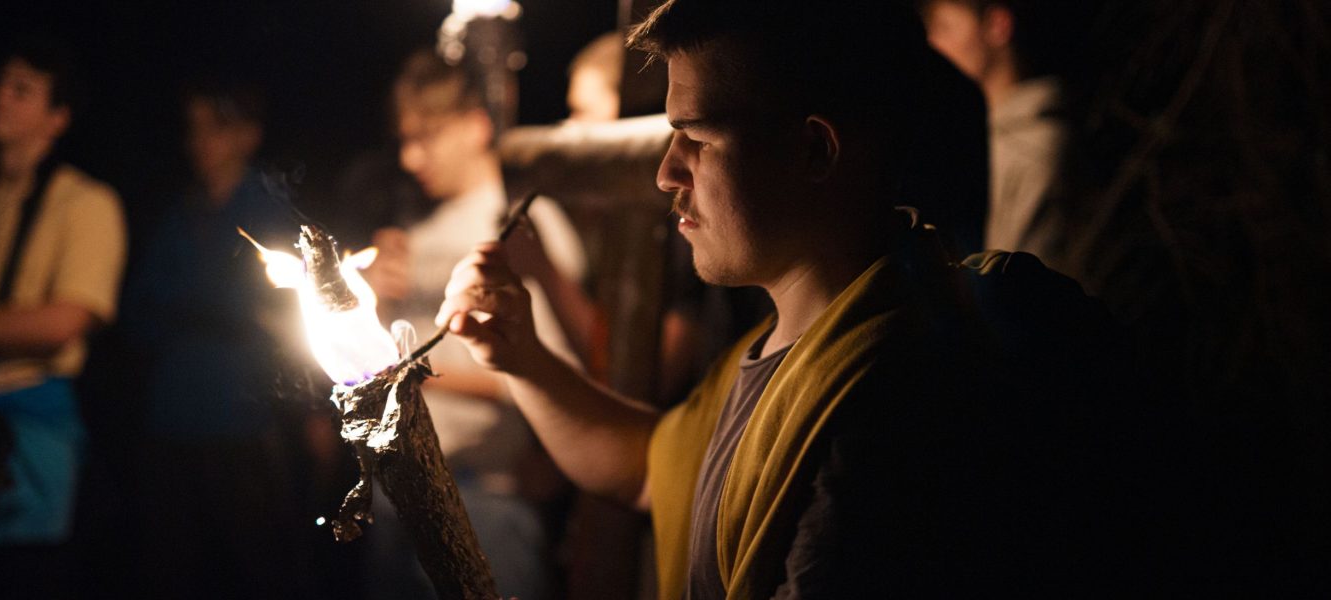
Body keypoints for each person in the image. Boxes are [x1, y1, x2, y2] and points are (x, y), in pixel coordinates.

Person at [436, 1, 1125, 597]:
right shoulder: (793, 346)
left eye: (696, 137)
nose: (667, 173)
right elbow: (651, 468)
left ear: (814, 151)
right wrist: (519, 355)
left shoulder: (888, 406)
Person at [359, 50, 590, 600]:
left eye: (428, 136)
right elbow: (389, 354)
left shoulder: (519, 228)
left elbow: (554, 371)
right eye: (405, 140)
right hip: (395, 489)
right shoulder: (412, 231)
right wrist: (375, 302)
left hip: (483, 496)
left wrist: (410, 377)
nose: (412, 157)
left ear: (476, 125)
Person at [119, 81, 309, 600]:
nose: (201, 141)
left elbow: (286, 316)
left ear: (249, 134)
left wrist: (203, 308)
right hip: (172, 416)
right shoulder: (177, 214)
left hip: (245, 418)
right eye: (194, 128)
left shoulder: (269, 214)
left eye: (217, 127)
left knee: (255, 568)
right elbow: (138, 311)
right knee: (173, 568)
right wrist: (215, 309)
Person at [0, 37, 126, 597]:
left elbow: (64, 322)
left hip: (30, 428)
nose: (0, 97)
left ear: (57, 117)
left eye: (22, 90)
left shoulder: (85, 203)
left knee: (23, 575)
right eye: (0, 84)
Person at [920, 0, 1077, 258]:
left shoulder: (1033, 144)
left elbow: (1027, 269)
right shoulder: (992, 134)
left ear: (998, 25)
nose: (934, 44)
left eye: (945, 28)